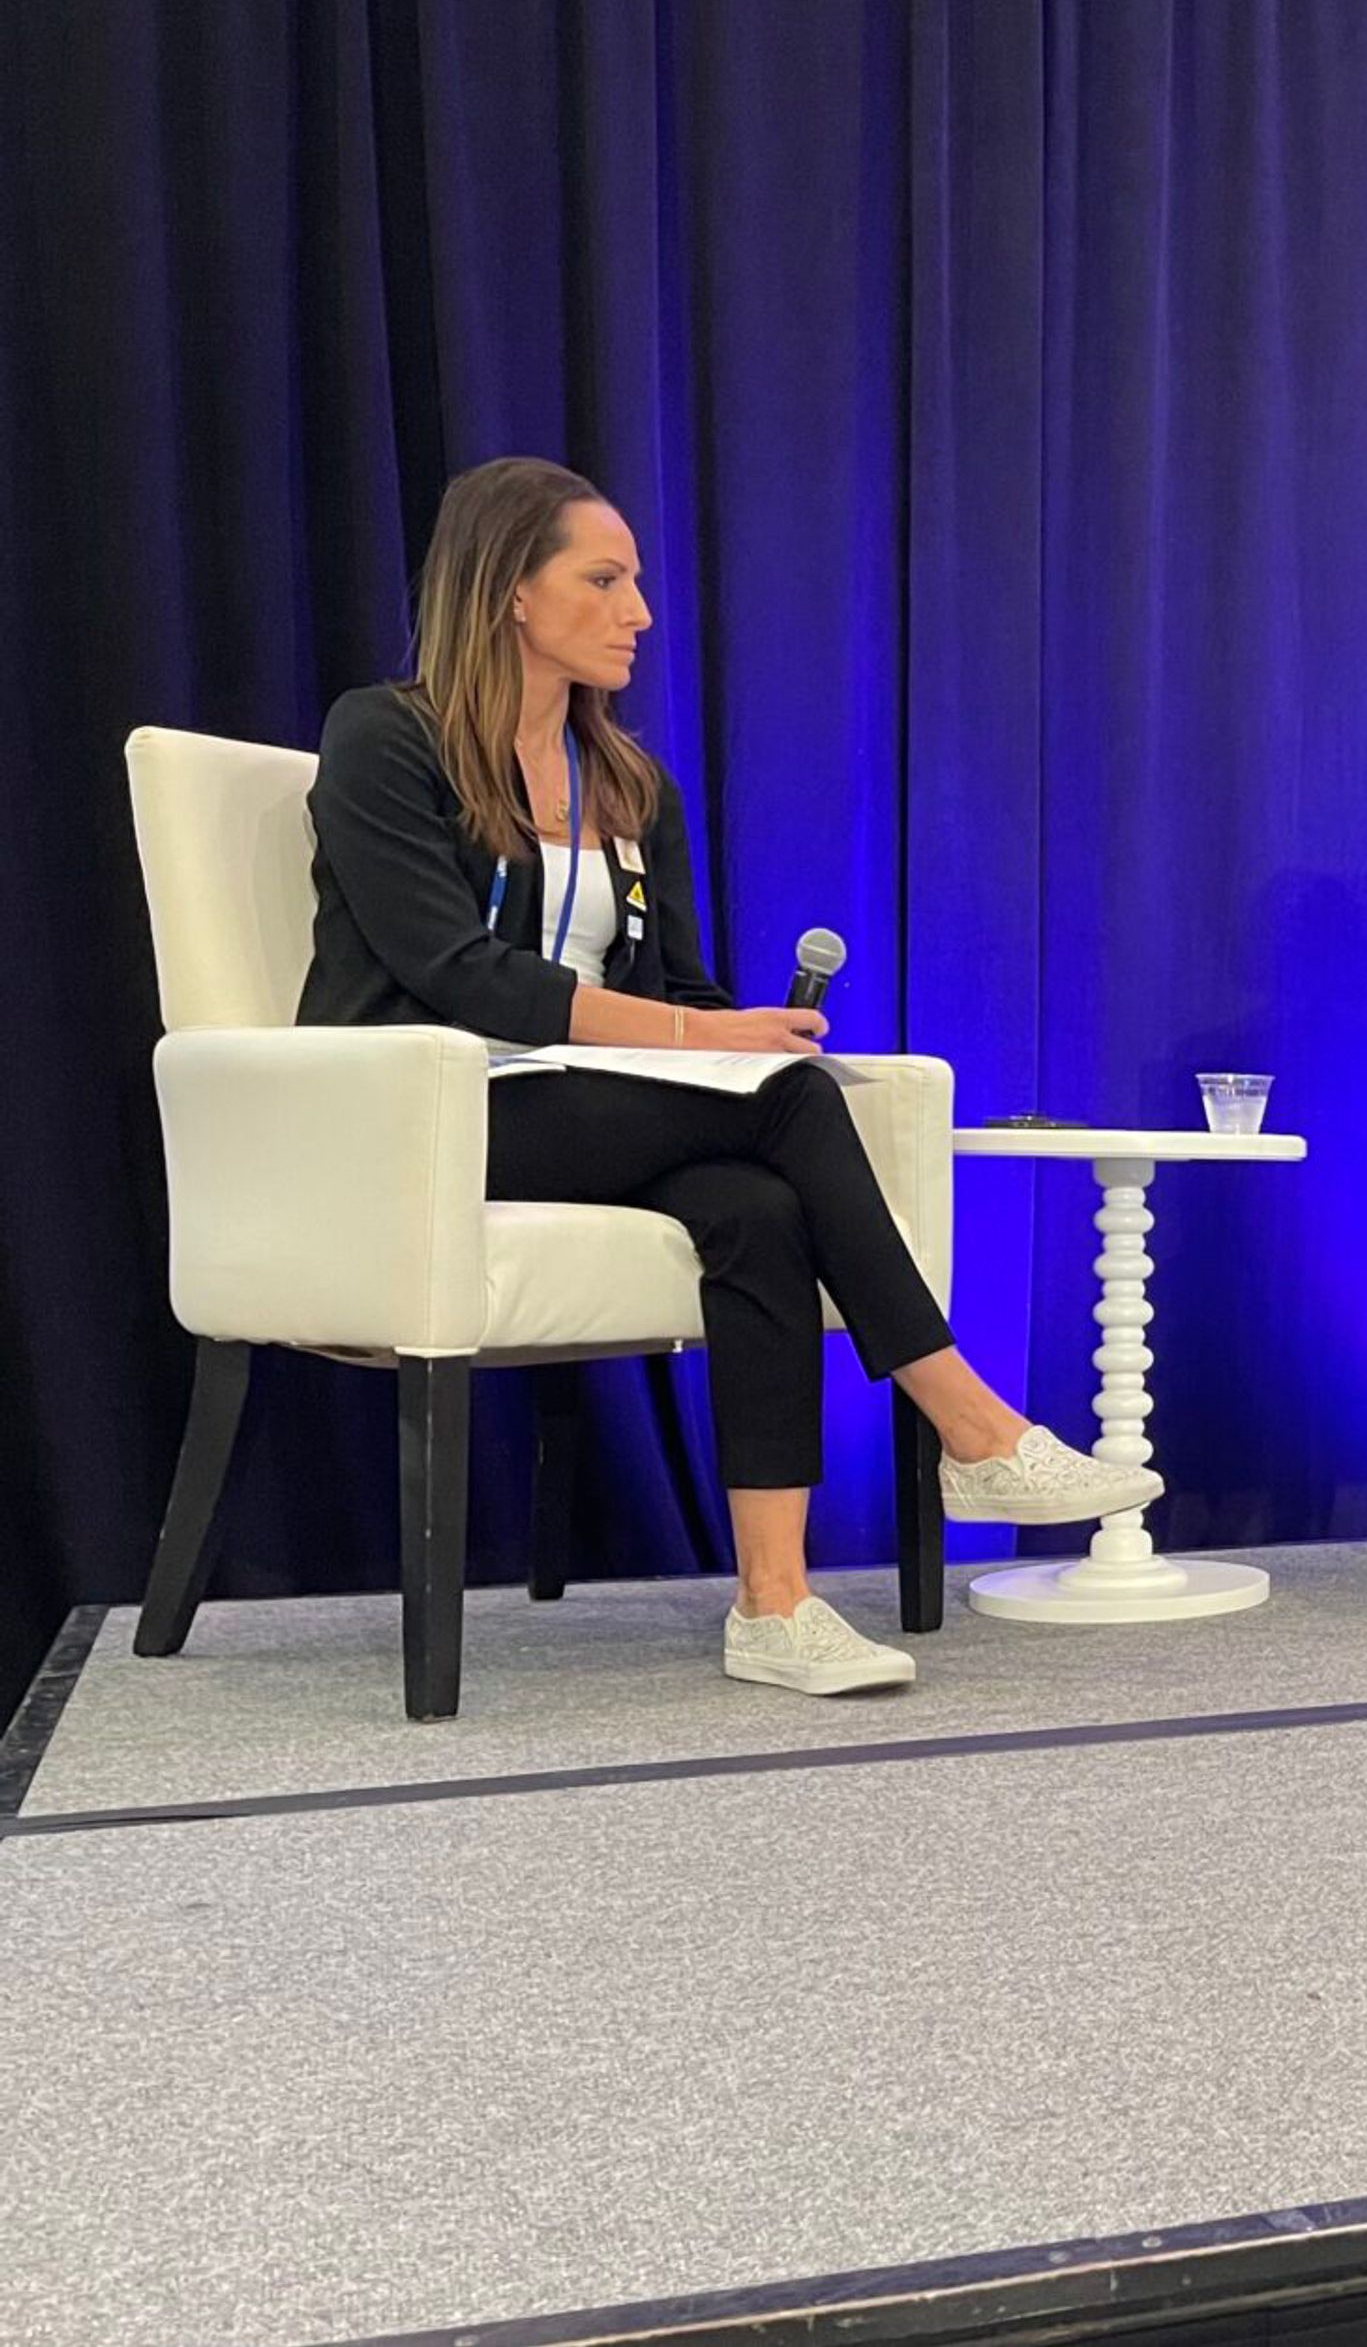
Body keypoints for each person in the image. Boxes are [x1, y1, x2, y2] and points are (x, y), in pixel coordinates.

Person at [301, 458, 1163, 1696]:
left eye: (637, 582)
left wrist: (745, 1031)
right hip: (425, 1109)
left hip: (581, 1109)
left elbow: (681, 989)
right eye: (604, 579)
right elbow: (458, 974)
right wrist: (711, 1050)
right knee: (785, 1108)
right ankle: (970, 1425)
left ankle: (773, 1603)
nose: (639, 610)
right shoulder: (385, 737)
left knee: (759, 1211)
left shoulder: (630, 786)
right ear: (509, 595)